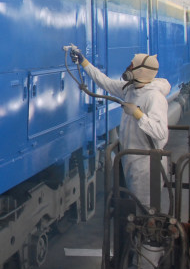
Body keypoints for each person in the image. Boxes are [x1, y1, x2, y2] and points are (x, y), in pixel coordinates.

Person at [69, 47, 170, 211]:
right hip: (130, 158)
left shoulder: (154, 97)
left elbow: (160, 133)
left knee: (146, 211)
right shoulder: (130, 89)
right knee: (134, 207)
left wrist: (138, 114)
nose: (128, 68)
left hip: (146, 165)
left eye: (132, 65)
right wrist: (84, 62)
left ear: (141, 71)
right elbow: (105, 82)